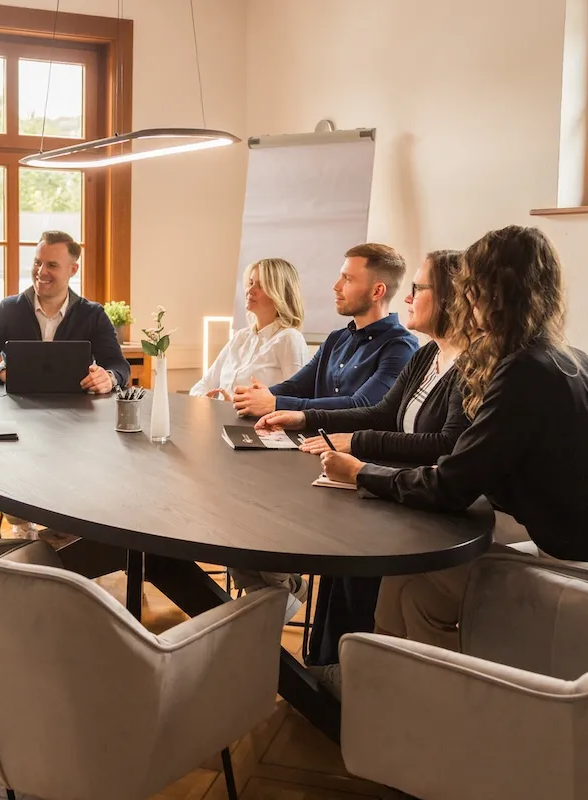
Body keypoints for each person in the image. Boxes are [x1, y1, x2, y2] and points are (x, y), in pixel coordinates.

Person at [320, 225, 588, 668]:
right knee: (407, 587)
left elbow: (450, 485)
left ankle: (423, 696)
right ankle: (397, 692)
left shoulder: (523, 372)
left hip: (585, 565)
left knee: (415, 582)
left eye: (468, 288)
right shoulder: (570, 357)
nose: (462, 300)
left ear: (490, 293)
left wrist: (360, 472)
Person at [256, 250, 469, 670]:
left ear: (450, 299)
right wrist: (304, 415)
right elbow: (381, 412)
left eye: (418, 289)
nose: (408, 298)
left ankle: (347, 673)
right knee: (334, 539)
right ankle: (327, 667)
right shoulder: (427, 355)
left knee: (349, 548)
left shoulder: (463, 365)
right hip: (391, 483)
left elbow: (440, 444)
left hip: (419, 498)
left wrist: (355, 446)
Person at [230, 243, 419, 418]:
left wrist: (275, 403)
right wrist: (256, 396)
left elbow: (362, 405)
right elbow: (296, 387)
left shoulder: (400, 347)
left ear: (377, 291)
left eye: (348, 279)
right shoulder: (336, 339)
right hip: (311, 441)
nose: (336, 286)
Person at [0, 231, 130, 393]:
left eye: (52, 265)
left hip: (77, 413)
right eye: (38, 263)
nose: (41, 272)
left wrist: (108, 377)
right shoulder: (9, 309)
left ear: (73, 270)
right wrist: (1, 373)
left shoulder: (93, 314)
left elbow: (118, 365)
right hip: (16, 409)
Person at [189, 258, 308, 400]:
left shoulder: (289, 339)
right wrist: (208, 401)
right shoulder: (240, 337)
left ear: (280, 294)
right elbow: (200, 387)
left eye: (261, 286)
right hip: (219, 420)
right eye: (251, 283)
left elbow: (296, 403)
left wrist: (231, 407)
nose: (250, 290)